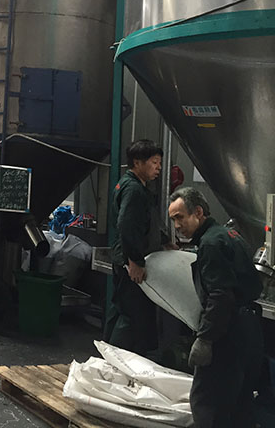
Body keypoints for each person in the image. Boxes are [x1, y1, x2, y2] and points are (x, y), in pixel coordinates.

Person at [168, 187, 263, 428]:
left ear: (198, 212)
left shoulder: (210, 244)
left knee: (207, 403)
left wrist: (205, 339)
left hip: (226, 332)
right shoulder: (230, 234)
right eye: (173, 220)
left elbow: (220, 296)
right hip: (248, 329)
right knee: (239, 404)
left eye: (180, 217)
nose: (177, 225)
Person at [105, 139, 165, 355]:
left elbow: (143, 222)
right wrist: (135, 261)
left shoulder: (130, 184)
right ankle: (115, 361)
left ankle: (107, 356)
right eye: (154, 162)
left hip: (124, 257)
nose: (159, 168)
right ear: (138, 163)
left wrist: (165, 240)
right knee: (132, 315)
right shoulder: (134, 190)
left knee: (121, 310)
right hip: (129, 262)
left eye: (159, 163)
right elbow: (127, 225)